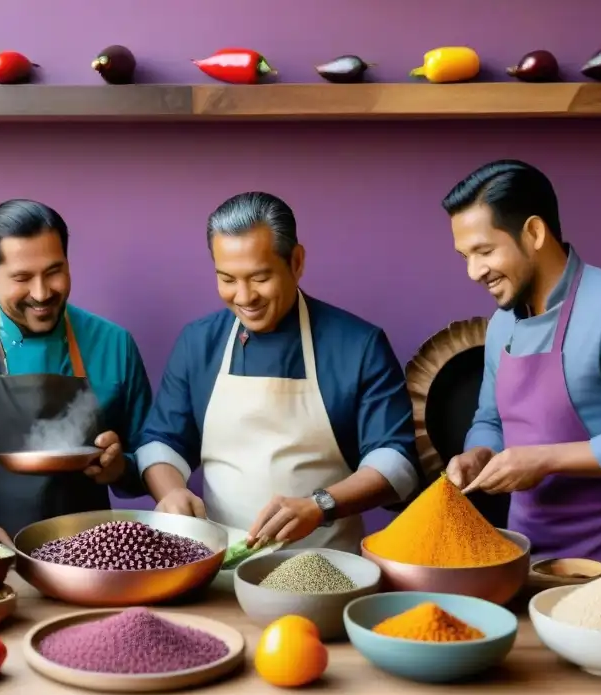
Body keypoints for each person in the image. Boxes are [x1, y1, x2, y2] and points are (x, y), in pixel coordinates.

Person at [442, 160, 601, 566]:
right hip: (523, 560)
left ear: (535, 233)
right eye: (465, 255)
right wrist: (479, 455)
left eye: (484, 251)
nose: (474, 271)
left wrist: (544, 459)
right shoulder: (502, 324)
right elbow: (489, 419)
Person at [137, 191, 420, 552]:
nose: (244, 297)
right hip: (219, 566)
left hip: (326, 567)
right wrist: (172, 492)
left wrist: (320, 505)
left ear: (296, 262)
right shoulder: (198, 343)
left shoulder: (358, 345)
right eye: (227, 278)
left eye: (259, 278)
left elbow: (396, 463)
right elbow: (162, 441)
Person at [0, 199, 154, 546]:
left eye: (54, 272)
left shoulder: (114, 345)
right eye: (22, 277)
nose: (41, 293)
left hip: (92, 560)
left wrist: (119, 467)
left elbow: (151, 460)